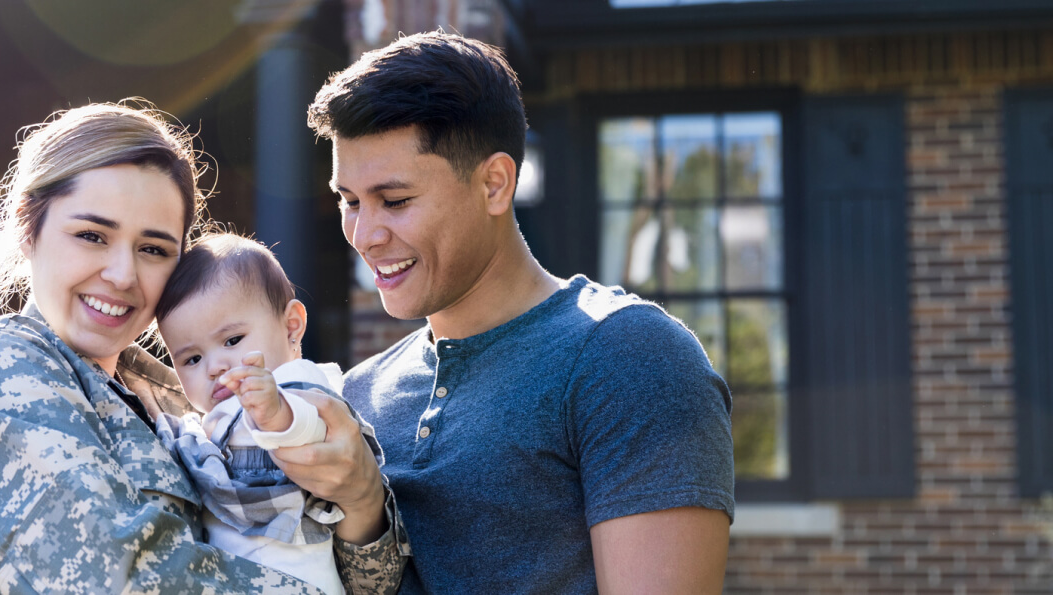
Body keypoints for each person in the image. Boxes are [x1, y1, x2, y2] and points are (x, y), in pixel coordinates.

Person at [0, 102, 405, 594]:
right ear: (27, 229)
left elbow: (371, 581)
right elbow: (117, 582)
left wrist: (362, 499)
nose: (123, 275)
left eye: (153, 249)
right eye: (92, 235)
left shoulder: (179, 395)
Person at [307, 32, 735, 593]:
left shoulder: (628, 358)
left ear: (494, 183)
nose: (364, 235)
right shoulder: (359, 395)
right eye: (350, 201)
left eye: (395, 201)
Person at [152, 232, 386, 595]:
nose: (214, 366)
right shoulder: (205, 422)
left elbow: (310, 427)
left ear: (291, 326)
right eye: (192, 359)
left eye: (232, 341)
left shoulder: (293, 382)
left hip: (299, 580)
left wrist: (276, 412)